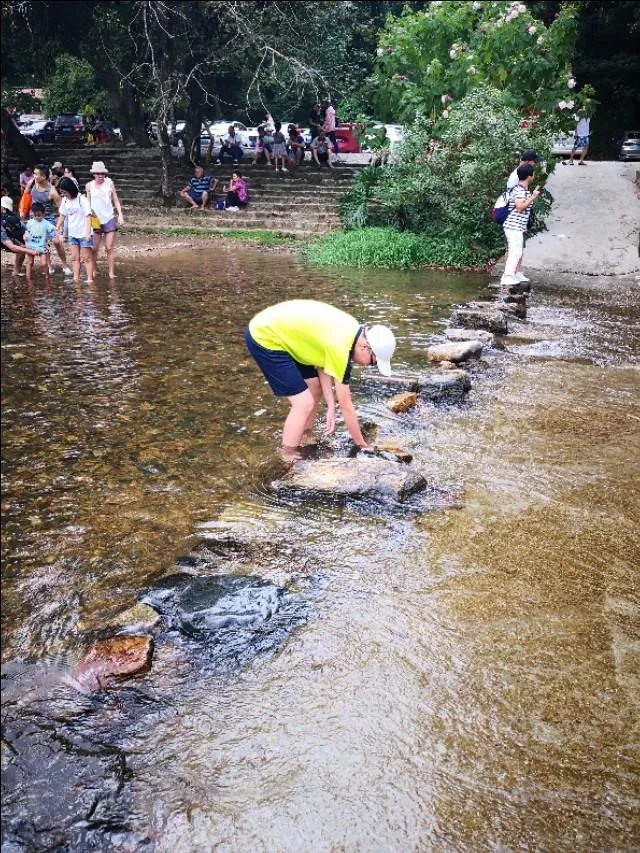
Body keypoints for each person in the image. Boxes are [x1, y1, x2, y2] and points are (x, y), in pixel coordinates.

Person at [245, 299, 396, 457]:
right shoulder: (341, 348)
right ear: (365, 347)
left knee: (314, 388)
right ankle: (288, 455)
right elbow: (346, 405)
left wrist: (330, 406)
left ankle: (305, 436)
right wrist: (361, 445)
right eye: (373, 363)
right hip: (264, 337)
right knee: (303, 403)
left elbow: (323, 363)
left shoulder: (352, 331)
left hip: (287, 336)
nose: (368, 366)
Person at [25, 164, 72, 275]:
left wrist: (59, 226)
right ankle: (49, 266)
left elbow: (62, 208)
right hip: (34, 219)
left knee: (56, 241)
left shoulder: (52, 191)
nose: (34, 176)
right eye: (34, 173)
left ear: (44, 176)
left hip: (48, 219)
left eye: (36, 174)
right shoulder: (33, 183)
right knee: (43, 242)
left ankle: (65, 265)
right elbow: (26, 193)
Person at [500, 164, 540, 286]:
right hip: (513, 226)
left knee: (517, 251)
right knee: (515, 252)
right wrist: (532, 197)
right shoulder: (520, 190)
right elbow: (519, 207)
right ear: (530, 176)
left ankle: (514, 274)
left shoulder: (522, 190)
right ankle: (507, 276)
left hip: (517, 226)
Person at [85, 161, 125, 279]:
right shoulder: (89, 186)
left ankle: (111, 273)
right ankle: (94, 269)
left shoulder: (109, 183)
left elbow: (116, 200)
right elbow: (88, 204)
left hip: (109, 218)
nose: (100, 175)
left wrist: (120, 215)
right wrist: (88, 221)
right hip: (96, 219)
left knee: (109, 248)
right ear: (94, 174)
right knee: (94, 249)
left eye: (102, 173)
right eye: (98, 173)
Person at [56, 177, 94, 284]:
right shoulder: (65, 200)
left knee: (87, 257)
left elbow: (88, 216)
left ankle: (90, 279)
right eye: (62, 192)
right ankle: (76, 278)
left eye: (64, 192)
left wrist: (87, 233)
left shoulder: (82, 200)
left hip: (84, 233)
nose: (63, 194)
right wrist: (58, 226)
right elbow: (62, 215)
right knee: (74, 258)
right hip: (73, 234)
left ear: (70, 189)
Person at [24, 201, 56, 283]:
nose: (37, 217)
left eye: (39, 215)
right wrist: (25, 236)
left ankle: (47, 277)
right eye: (35, 216)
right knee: (30, 263)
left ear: (43, 214)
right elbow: (27, 231)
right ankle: (28, 278)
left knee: (44, 263)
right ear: (32, 214)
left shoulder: (46, 223)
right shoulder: (30, 222)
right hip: (31, 246)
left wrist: (58, 233)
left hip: (42, 247)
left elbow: (53, 229)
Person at [1, 195, 33, 276]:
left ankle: (16, 272)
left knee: (21, 246)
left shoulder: (12, 217)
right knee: (21, 247)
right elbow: (11, 246)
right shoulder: (4, 222)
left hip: (9, 236)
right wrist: (30, 250)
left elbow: (24, 229)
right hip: (4, 237)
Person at [322, 98, 339, 162]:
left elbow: (327, 120)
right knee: (333, 141)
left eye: (325, 103)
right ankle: (335, 155)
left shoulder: (328, 110)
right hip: (332, 128)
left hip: (328, 128)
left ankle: (328, 156)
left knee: (326, 141)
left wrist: (323, 127)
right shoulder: (332, 109)